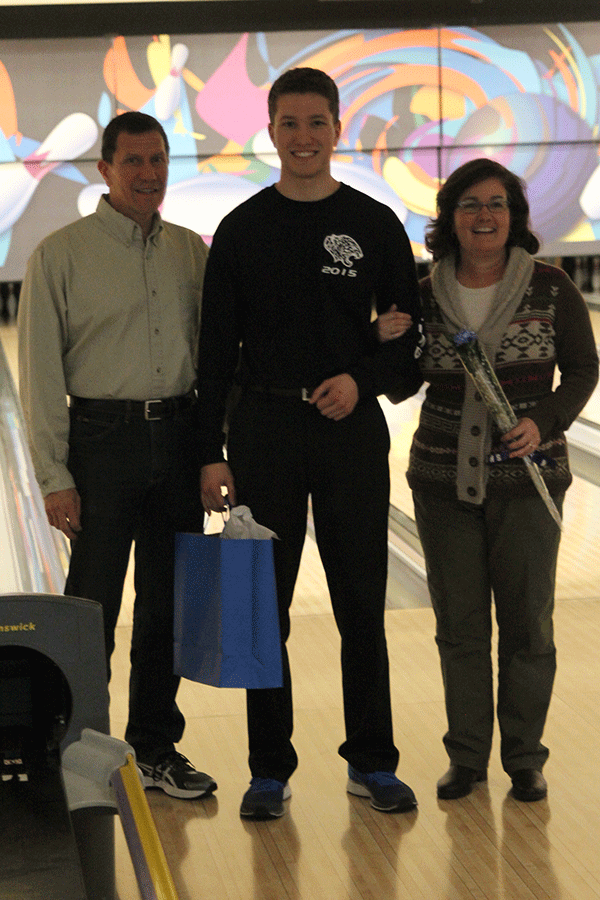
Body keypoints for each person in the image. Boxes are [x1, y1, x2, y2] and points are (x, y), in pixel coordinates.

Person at [196, 67, 423, 820]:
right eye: (289, 123)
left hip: (348, 429)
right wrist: (210, 449)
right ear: (270, 132)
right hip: (262, 430)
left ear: (336, 128)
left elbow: (408, 340)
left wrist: (362, 380)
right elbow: (212, 354)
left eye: (316, 122)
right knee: (264, 606)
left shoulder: (374, 223)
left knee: (362, 600)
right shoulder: (241, 229)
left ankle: (372, 761)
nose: (303, 137)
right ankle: (269, 769)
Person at [378, 158, 598, 801]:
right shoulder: (424, 296)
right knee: (461, 625)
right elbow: (398, 385)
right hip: (443, 480)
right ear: (449, 217)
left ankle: (525, 757)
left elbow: (583, 371)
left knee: (529, 624)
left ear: (515, 217)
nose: (484, 215)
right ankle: (468, 758)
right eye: (470, 204)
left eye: (497, 204)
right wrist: (384, 340)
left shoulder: (553, 288)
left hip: (529, 479)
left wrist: (546, 421)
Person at [18, 111, 217, 800]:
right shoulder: (61, 253)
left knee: (168, 606)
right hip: (101, 441)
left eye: (158, 160)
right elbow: (40, 374)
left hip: (181, 437)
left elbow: (215, 363)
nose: (148, 174)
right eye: (133, 161)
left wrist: (213, 451)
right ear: (104, 169)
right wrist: (55, 475)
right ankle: (76, 747)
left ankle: (157, 748)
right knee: (91, 607)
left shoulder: (191, 251)